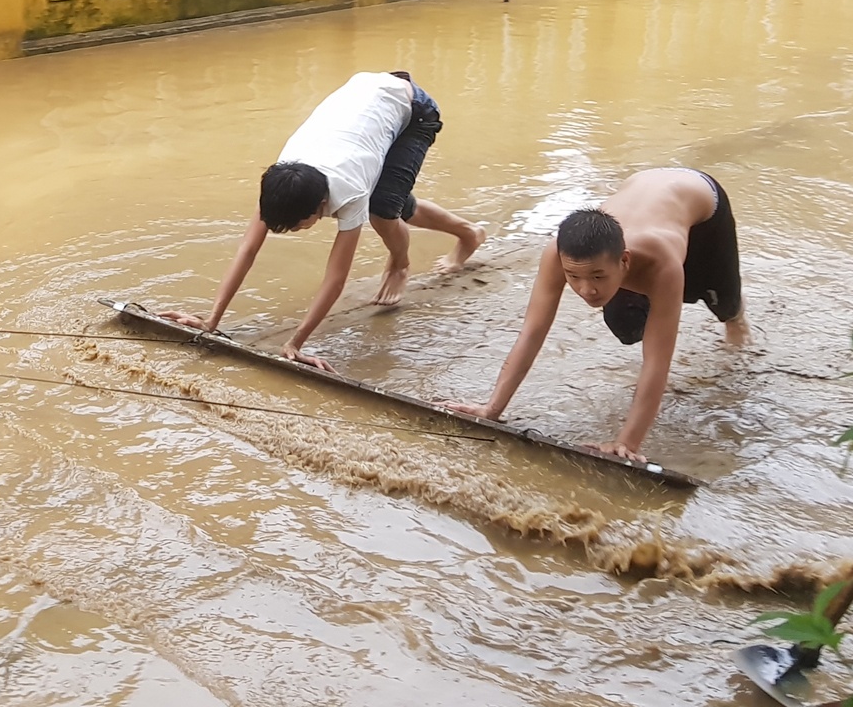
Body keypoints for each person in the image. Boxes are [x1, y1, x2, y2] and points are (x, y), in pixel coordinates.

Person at [163, 71, 483, 371]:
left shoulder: (350, 190)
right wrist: (211, 320)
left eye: (301, 224)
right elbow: (247, 249)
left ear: (321, 205)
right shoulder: (285, 179)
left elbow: (336, 277)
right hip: (366, 105)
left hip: (414, 110)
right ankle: (468, 233)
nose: (300, 230)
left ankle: (400, 264)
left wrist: (296, 342)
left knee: (383, 209)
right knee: (394, 198)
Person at [447, 168, 749, 460]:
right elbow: (533, 331)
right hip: (645, 187)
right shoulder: (557, 253)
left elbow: (658, 359)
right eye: (573, 277)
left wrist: (626, 443)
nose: (586, 290)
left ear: (624, 261)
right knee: (627, 328)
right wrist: (491, 409)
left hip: (702, 199)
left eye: (597, 277)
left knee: (724, 304)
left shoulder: (662, 264)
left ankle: (737, 322)